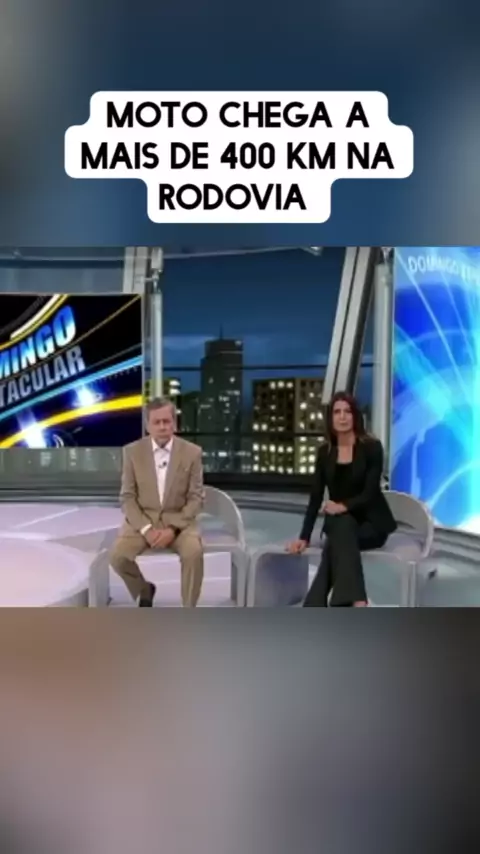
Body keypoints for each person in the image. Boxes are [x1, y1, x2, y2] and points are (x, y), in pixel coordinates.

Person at [286, 391, 396, 607]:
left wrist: (342, 506)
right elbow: (316, 496)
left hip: (371, 525)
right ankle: (354, 600)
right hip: (341, 523)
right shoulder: (324, 452)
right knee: (342, 529)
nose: (342, 417)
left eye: (348, 411)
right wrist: (304, 537)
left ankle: (317, 604)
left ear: (355, 416)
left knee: (337, 538)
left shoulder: (372, 447)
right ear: (331, 418)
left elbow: (370, 493)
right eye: (337, 412)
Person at [109, 397, 205, 607]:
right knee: (117, 557)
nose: (162, 427)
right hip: (143, 520)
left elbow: (196, 498)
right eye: (157, 422)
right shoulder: (132, 452)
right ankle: (144, 589)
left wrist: (173, 529)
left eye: (166, 421)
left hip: (179, 522)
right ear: (147, 426)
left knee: (193, 553)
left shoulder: (192, 453)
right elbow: (127, 497)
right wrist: (146, 529)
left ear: (174, 424)